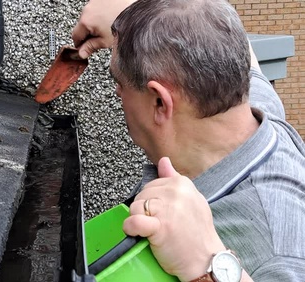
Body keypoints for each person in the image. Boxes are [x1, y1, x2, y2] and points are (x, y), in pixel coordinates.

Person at [72, 0, 305, 281]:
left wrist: (206, 265)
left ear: (160, 102)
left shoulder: (274, 253)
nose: (118, 94)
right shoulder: (247, 107)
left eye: (118, 83)